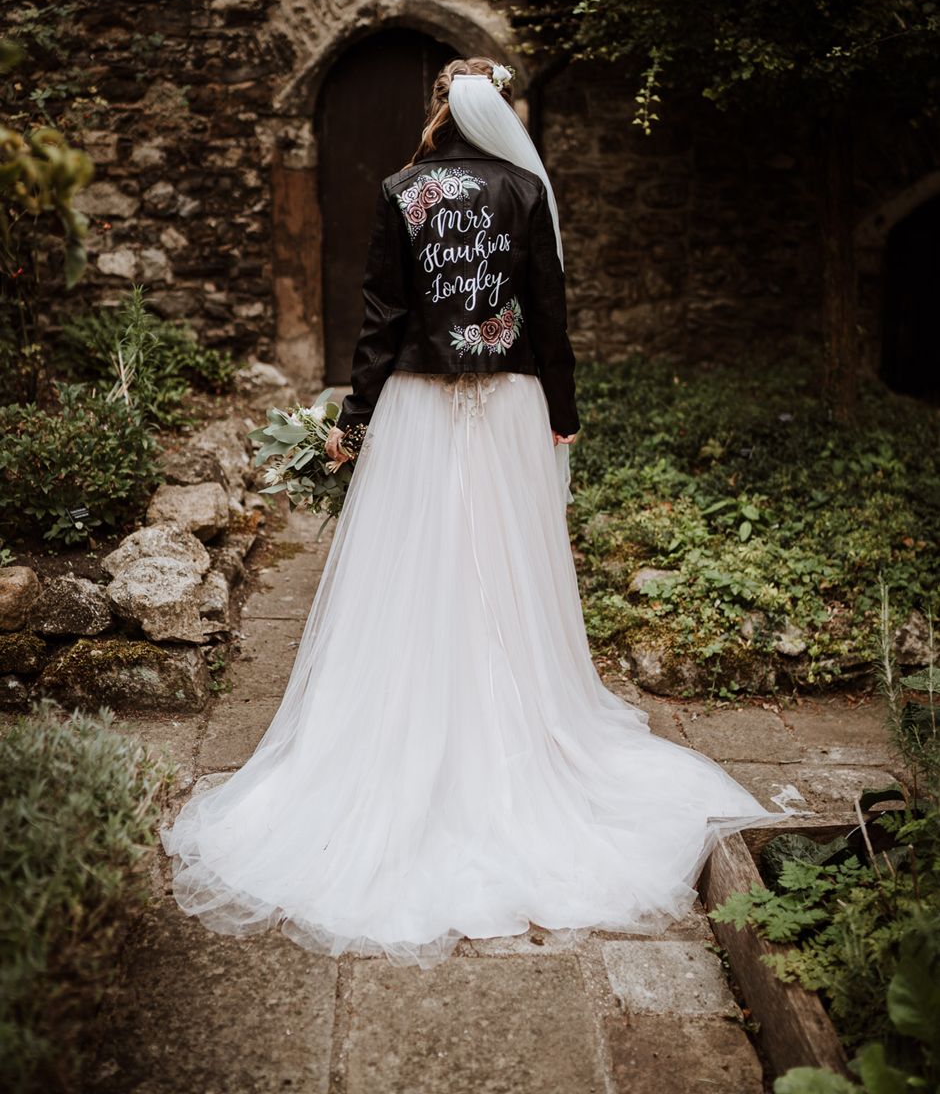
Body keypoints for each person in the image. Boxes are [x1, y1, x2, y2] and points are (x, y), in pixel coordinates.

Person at [160, 56, 785, 969]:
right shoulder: (526, 191)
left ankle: (406, 718)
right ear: (497, 112)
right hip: (509, 406)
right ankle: (514, 717)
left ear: (438, 112)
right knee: (505, 558)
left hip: (417, 404)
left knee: (414, 561)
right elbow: (549, 312)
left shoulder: (401, 191)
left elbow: (381, 314)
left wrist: (353, 421)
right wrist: (563, 412)